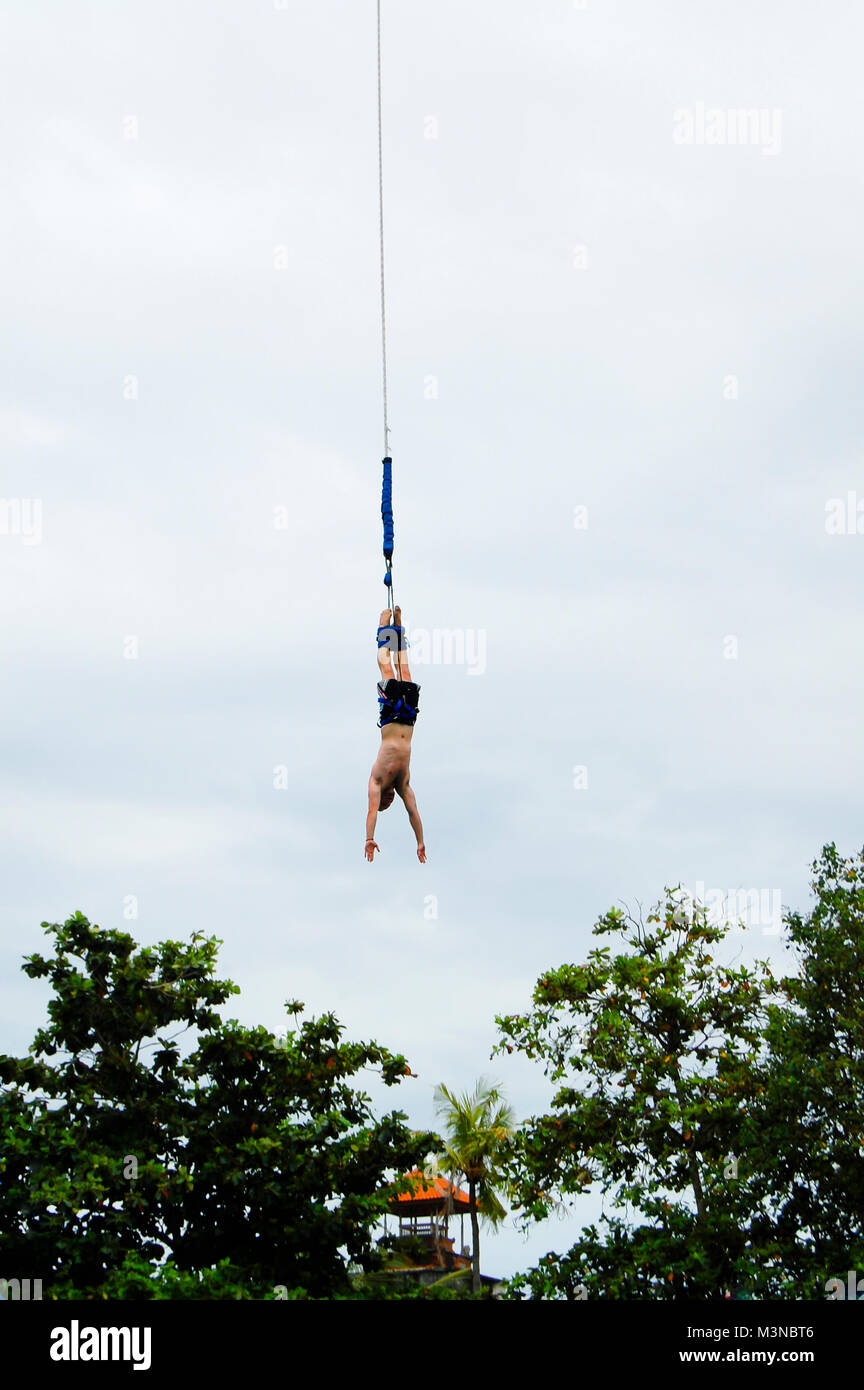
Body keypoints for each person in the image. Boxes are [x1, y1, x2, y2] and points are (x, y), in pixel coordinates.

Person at [365, 605, 426, 863]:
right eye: (389, 804)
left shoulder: (377, 780)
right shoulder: (403, 784)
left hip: (391, 716)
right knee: (406, 670)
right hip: (409, 718)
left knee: (386, 666)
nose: (387, 801)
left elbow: (371, 812)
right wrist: (420, 841)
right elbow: (413, 812)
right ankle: (399, 626)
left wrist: (369, 838)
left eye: (384, 802)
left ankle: (383, 626)